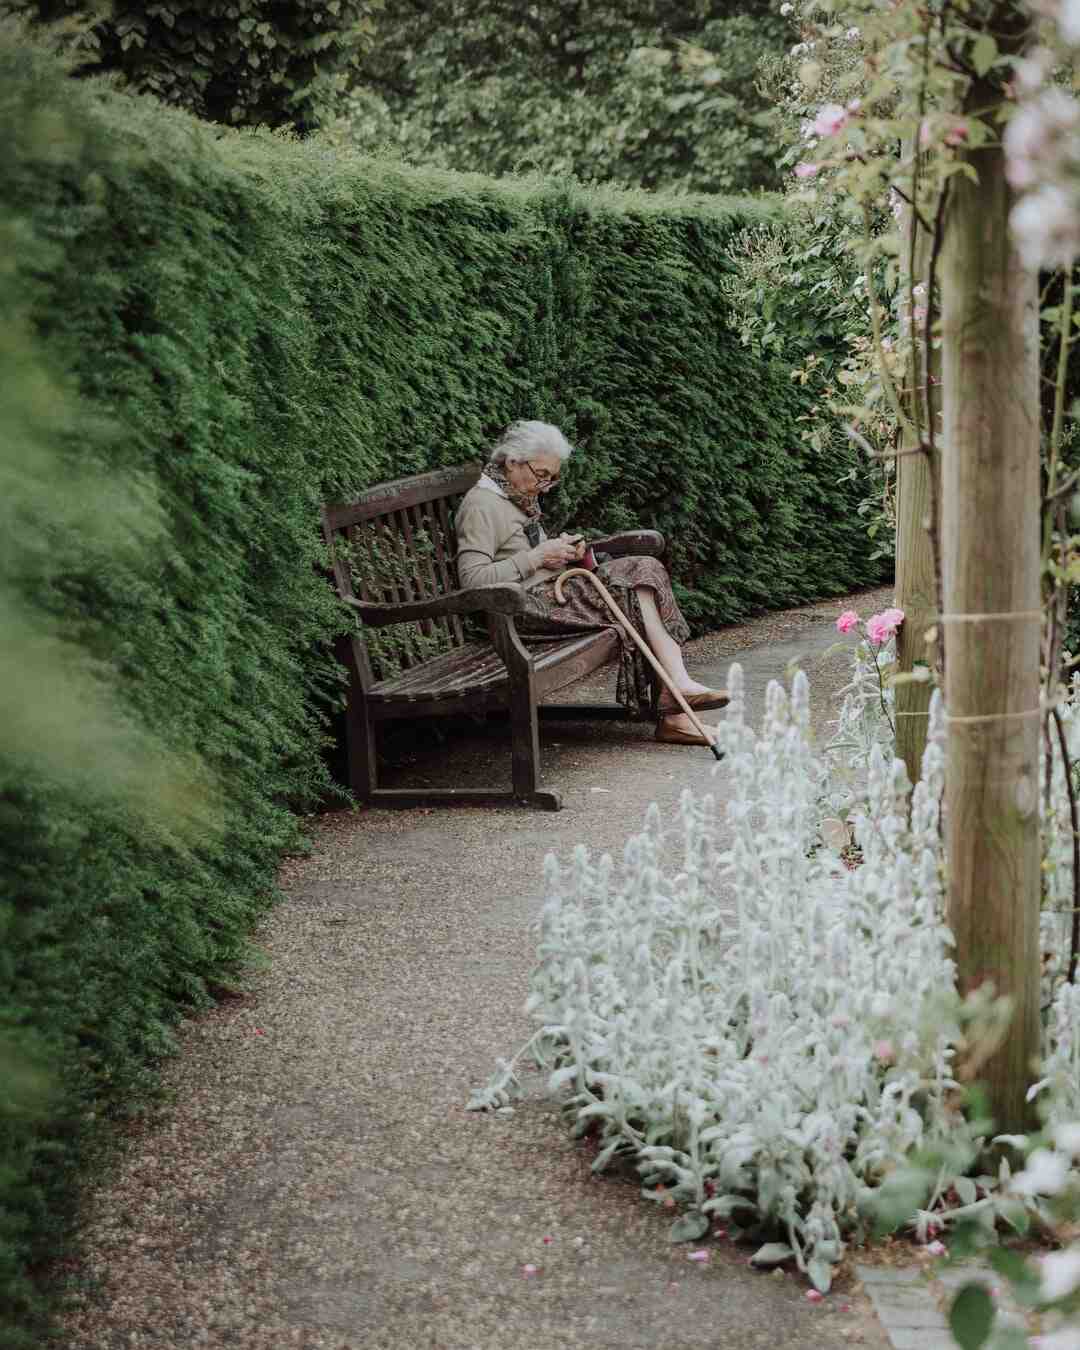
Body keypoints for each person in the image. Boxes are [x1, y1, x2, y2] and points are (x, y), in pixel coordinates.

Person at [454, 419, 728, 746]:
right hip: (519, 613)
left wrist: (565, 552)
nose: (545, 485)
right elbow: (472, 581)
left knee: (645, 572)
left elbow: (526, 554)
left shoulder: (515, 495)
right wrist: (539, 557)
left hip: (550, 597)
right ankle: (677, 709)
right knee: (637, 582)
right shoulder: (482, 505)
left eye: (552, 478)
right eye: (542, 475)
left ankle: (677, 699)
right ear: (512, 461)